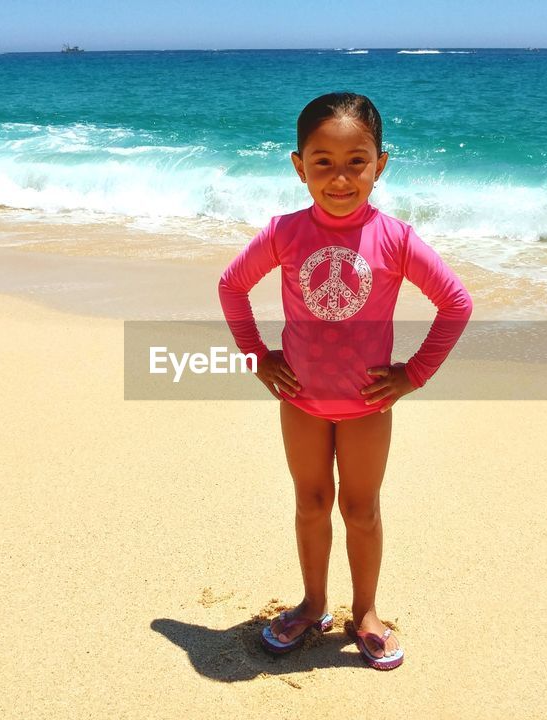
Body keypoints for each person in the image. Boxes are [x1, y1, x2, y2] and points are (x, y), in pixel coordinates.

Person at [218, 92, 473, 671]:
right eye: (322, 161)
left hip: (367, 408)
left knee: (361, 510)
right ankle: (312, 603)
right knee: (310, 505)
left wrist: (413, 374)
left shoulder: (396, 239)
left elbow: (456, 303)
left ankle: (365, 612)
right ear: (298, 165)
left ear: (380, 164)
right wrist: (257, 357)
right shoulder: (285, 232)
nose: (339, 177)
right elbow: (232, 286)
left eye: (356, 160)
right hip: (301, 402)